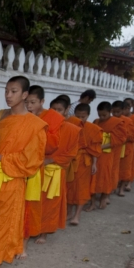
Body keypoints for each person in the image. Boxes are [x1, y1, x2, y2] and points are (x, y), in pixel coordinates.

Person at [0, 76, 47, 268]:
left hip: (12, 178)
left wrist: (0, 158)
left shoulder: (35, 125)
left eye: (13, 91)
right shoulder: (2, 115)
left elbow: (32, 159)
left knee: (4, 220)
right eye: (6, 91)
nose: (8, 95)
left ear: (24, 95)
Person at [35, 96, 79, 240]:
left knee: (50, 204)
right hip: (38, 168)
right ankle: (33, 228)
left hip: (56, 172)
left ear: (67, 110)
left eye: (59, 110)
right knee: (35, 201)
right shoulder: (42, 124)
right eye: (53, 109)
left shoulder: (73, 130)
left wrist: (51, 160)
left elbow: (71, 154)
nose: (55, 112)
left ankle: (44, 232)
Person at [24, 85, 62, 248]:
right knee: (26, 203)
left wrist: (38, 128)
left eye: (33, 102)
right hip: (25, 164)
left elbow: (53, 145)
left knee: (43, 203)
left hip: (44, 165)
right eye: (27, 102)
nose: (29, 106)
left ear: (42, 101)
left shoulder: (53, 117)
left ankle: (41, 231)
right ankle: (25, 233)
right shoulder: (23, 116)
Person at [66, 104, 102, 225]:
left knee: (81, 189)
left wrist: (94, 164)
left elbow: (95, 149)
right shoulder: (69, 126)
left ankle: (77, 215)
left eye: (83, 116)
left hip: (85, 162)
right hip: (71, 161)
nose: (81, 119)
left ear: (88, 116)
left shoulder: (93, 129)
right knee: (69, 187)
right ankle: (69, 212)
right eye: (78, 116)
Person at [88, 101, 125, 210]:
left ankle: (104, 197)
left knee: (105, 176)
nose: (102, 117)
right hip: (95, 154)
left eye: (104, 115)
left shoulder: (117, 123)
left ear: (110, 112)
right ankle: (92, 202)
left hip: (107, 154)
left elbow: (119, 139)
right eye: (100, 115)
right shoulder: (96, 121)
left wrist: (101, 147)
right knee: (93, 177)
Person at [115, 101, 134, 195]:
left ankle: (121, 189)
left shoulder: (129, 121)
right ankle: (113, 187)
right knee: (114, 169)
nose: (115, 114)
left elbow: (132, 135)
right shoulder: (111, 120)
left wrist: (122, 137)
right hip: (114, 148)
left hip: (126, 147)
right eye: (114, 111)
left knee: (124, 169)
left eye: (118, 111)